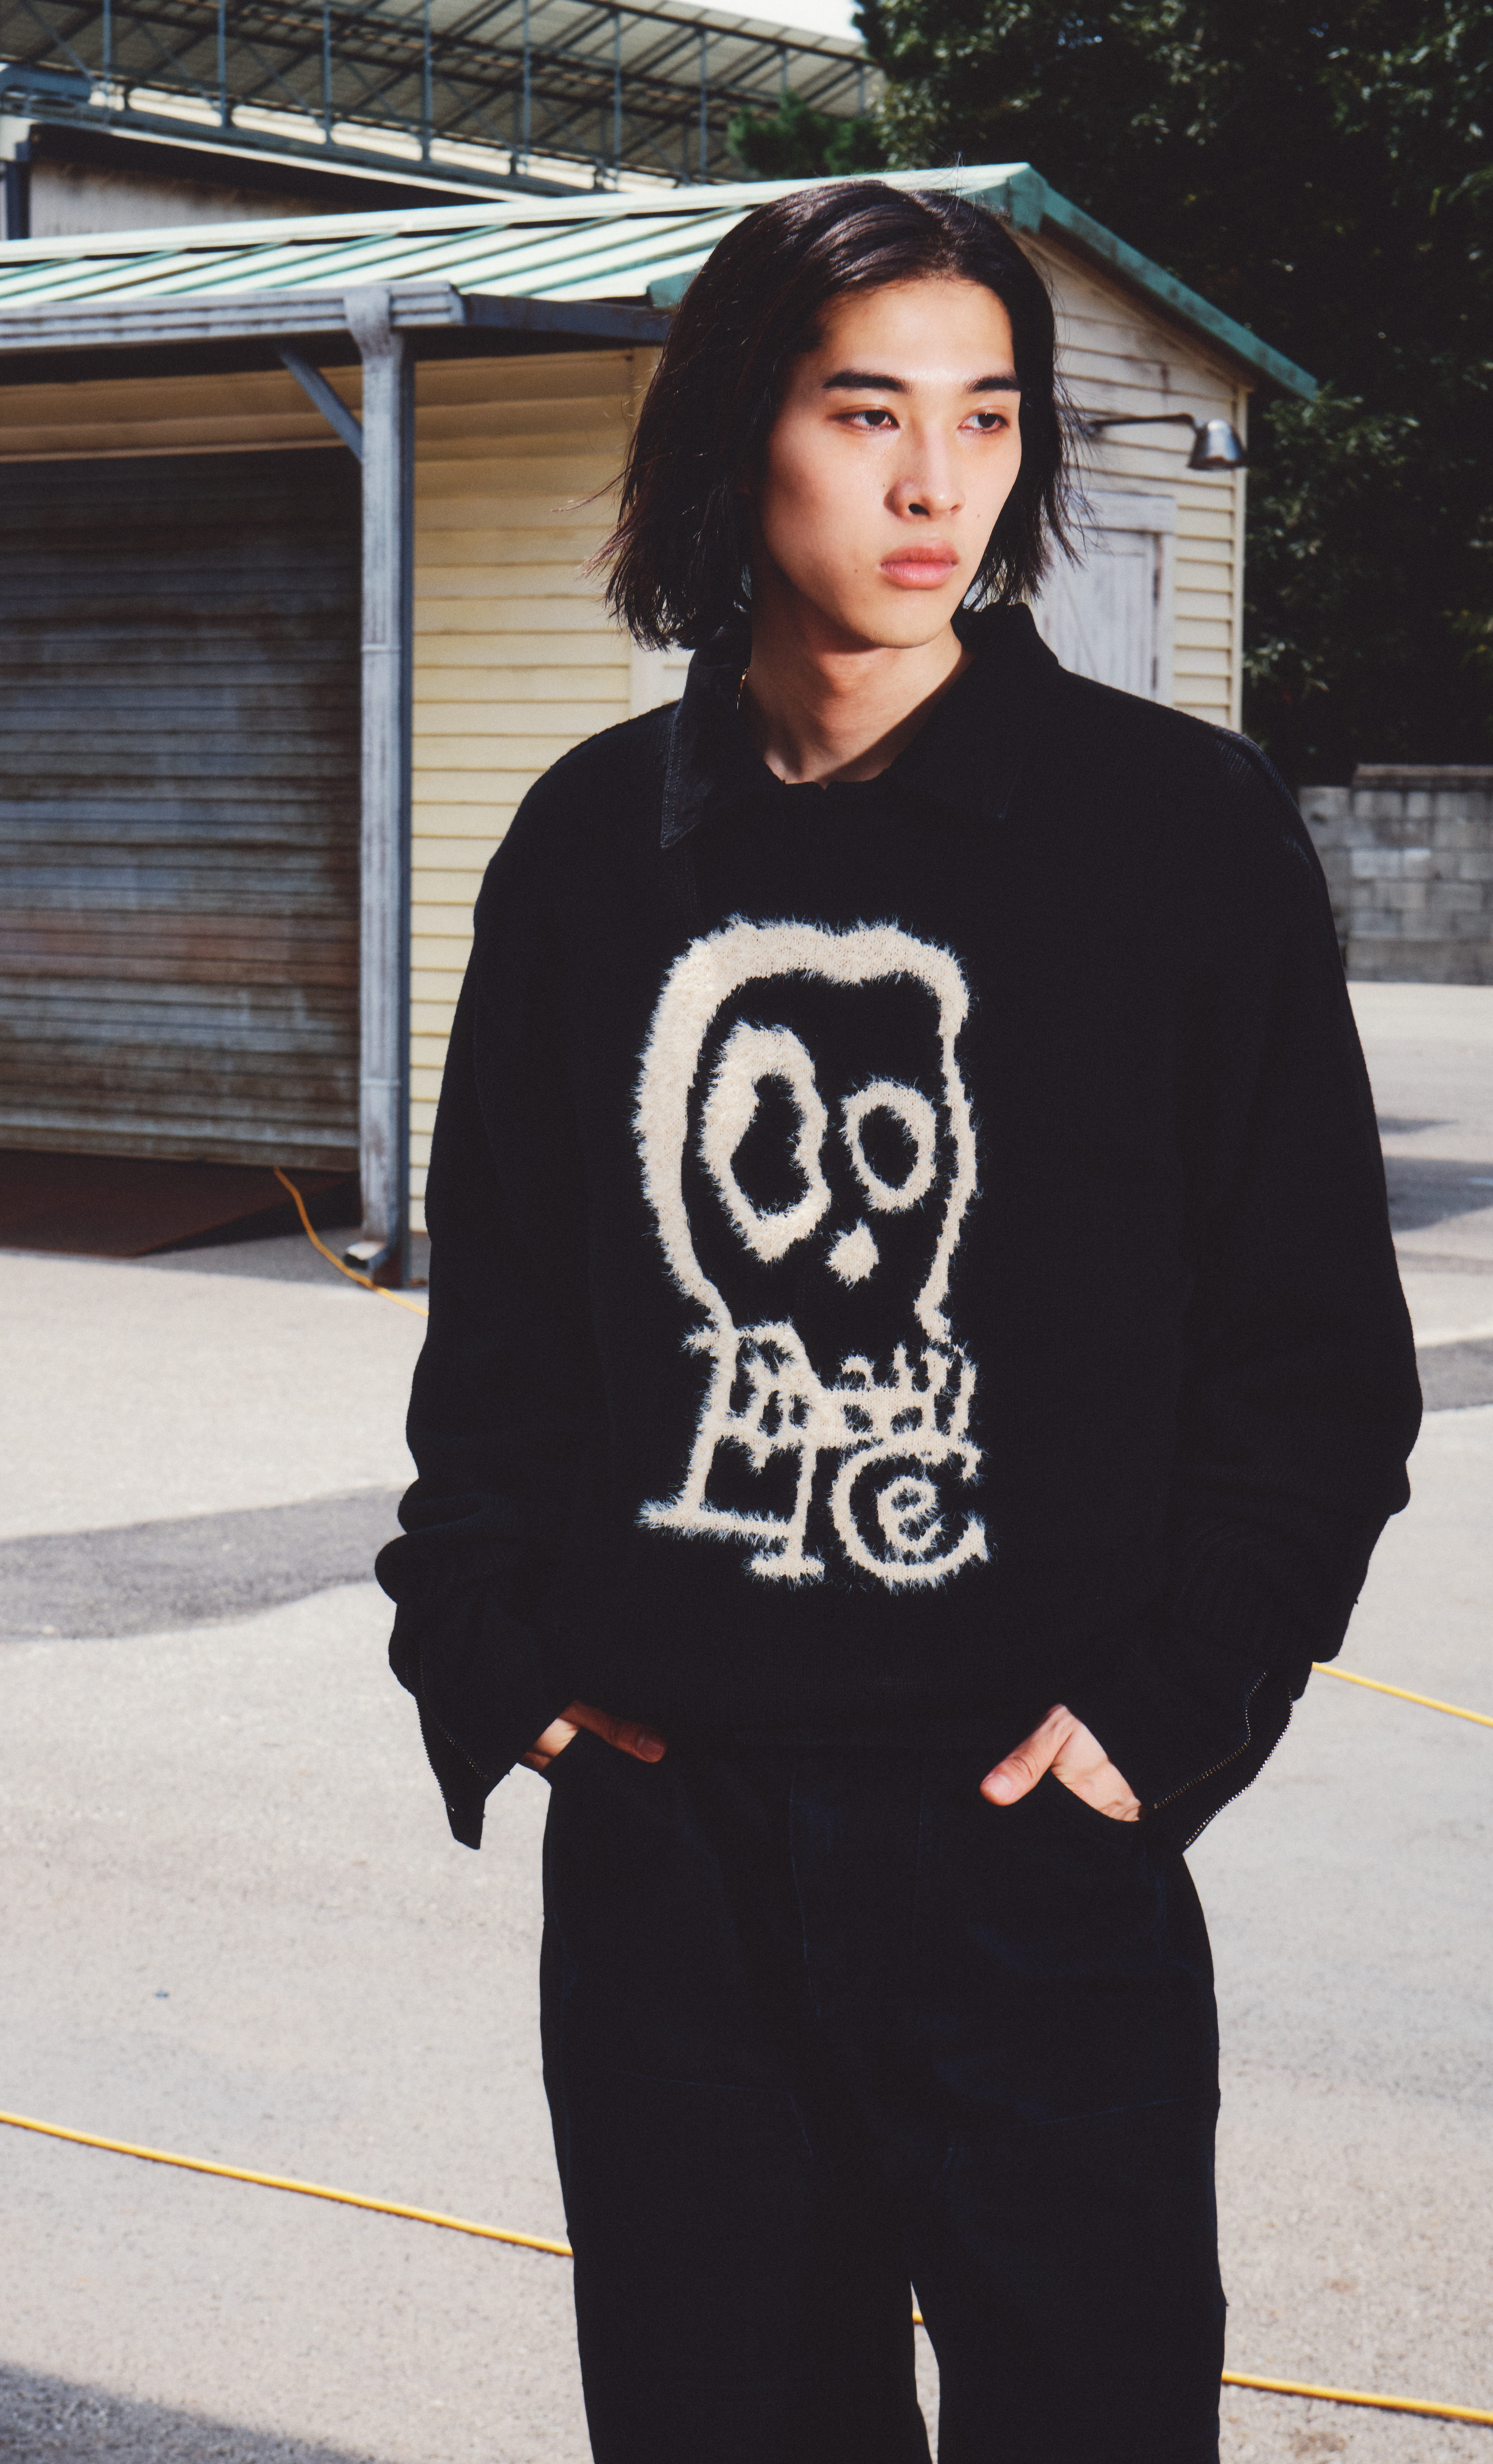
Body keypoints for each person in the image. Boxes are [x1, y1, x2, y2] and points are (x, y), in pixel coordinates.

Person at [375, 182, 1420, 2464]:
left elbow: (1316, 1367)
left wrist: (1164, 1715)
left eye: (985, 415)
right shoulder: (589, 849)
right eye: (867, 413)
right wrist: (488, 1656)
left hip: (1029, 1840)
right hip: (670, 1860)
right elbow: (508, 1337)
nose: (936, 482)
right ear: (733, 436)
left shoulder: (1175, 834)